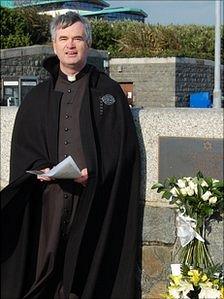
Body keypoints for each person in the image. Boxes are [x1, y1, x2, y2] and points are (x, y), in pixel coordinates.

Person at [1, 12, 140, 299]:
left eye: (77, 38)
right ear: (54, 46)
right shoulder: (38, 96)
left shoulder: (108, 92)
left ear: (88, 44)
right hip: (47, 200)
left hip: (90, 198)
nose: (70, 45)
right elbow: (24, 148)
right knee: (44, 268)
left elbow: (122, 149)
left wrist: (96, 170)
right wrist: (40, 168)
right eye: (63, 39)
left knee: (81, 270)